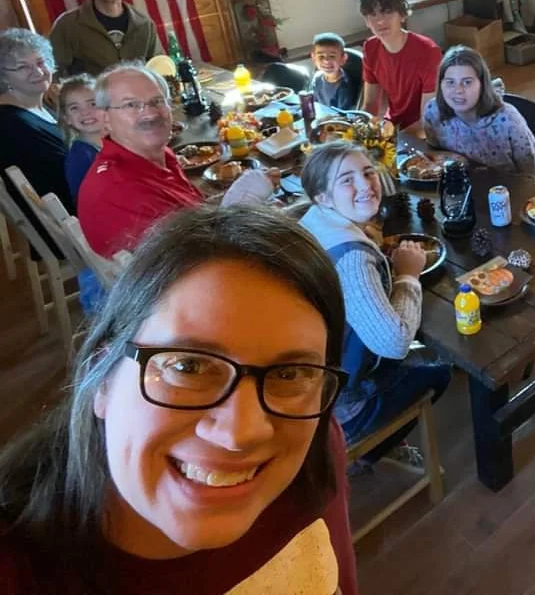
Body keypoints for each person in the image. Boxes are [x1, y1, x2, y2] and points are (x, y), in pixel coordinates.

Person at [0, 205, 358, 594]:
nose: (239, 434)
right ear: (102, 377)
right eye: (188, 367)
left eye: (289, 375)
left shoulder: (317, 448)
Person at [299, 141, 451, 460]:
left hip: (310, 383)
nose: (366, 185)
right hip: (340, 408)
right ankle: (368, 453)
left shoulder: (312, 222)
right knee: (440, 372)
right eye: (347, 180)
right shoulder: (352, 259)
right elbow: (394, 343)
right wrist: (408, 275)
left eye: (368, 173)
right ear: (322, 196)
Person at [78, 63, 275, 258]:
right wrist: (244, 201)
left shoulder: (156, 156)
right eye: (131, 105)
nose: (150, 114)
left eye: (157, 101)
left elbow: (193, 216)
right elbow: (205, 256)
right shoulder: (121, 190)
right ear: (105, 118)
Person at [0, 29, 73, 256]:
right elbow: (65, 175)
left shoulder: (43, 107)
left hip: (73, 210)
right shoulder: (12, 124)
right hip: (66, 228)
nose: (39, 72)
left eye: (41, 62)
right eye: (23, 67)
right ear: (3, 76)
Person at [423, 45, 535, 177]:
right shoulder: (433, 111)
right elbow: (434, 155)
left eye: (467, 82)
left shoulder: (509, 120)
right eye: (450, 82)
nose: (458, 90)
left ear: (482, 84)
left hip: (503, 188)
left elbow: (531, 176)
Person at [49, 0, 162, 76]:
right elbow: (53, 70)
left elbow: (159, 66)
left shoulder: (144, 24)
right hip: (92, 88)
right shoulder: (68, 25)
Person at [359, 0, 441, 133]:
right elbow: (370, 105)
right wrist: (360, 130)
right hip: (393, 125)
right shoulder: (370, 47)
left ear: (402, 15)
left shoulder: (428, 51)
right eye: (373, 15)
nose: (380, 21)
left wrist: (392, 138)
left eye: (387, 12)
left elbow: (428, 119)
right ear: (367, 22)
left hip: (425, 131)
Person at [57, 74, 105, 201]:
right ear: (66, 118)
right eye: (74, 108)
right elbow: (85, 201)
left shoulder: (122, 140)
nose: (85, 112)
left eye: (93, 104)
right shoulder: (80, 158)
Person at [308, 32, 361, 111]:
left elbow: (342, 114)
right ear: (314, 58)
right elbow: (311, 102)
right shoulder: (317, 78)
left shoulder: (344, 86)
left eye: (332, 56)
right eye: (321, 56)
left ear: (343, 59)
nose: (326, 61)